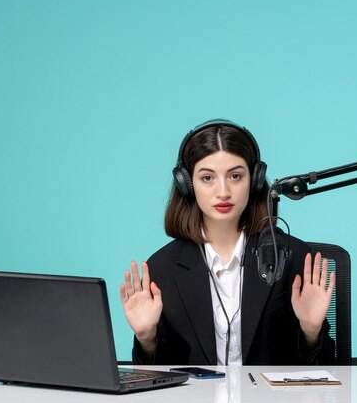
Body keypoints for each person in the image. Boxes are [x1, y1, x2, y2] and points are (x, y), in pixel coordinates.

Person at [119, 119, 336, 365]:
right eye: (207, 178)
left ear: (254, 180)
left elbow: (329, 374)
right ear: (187, 185)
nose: (223, 192)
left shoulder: (291, 256)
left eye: (235, 176)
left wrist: (311, 331)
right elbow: (157, 387)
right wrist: (146, 339)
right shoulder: (163, 268)